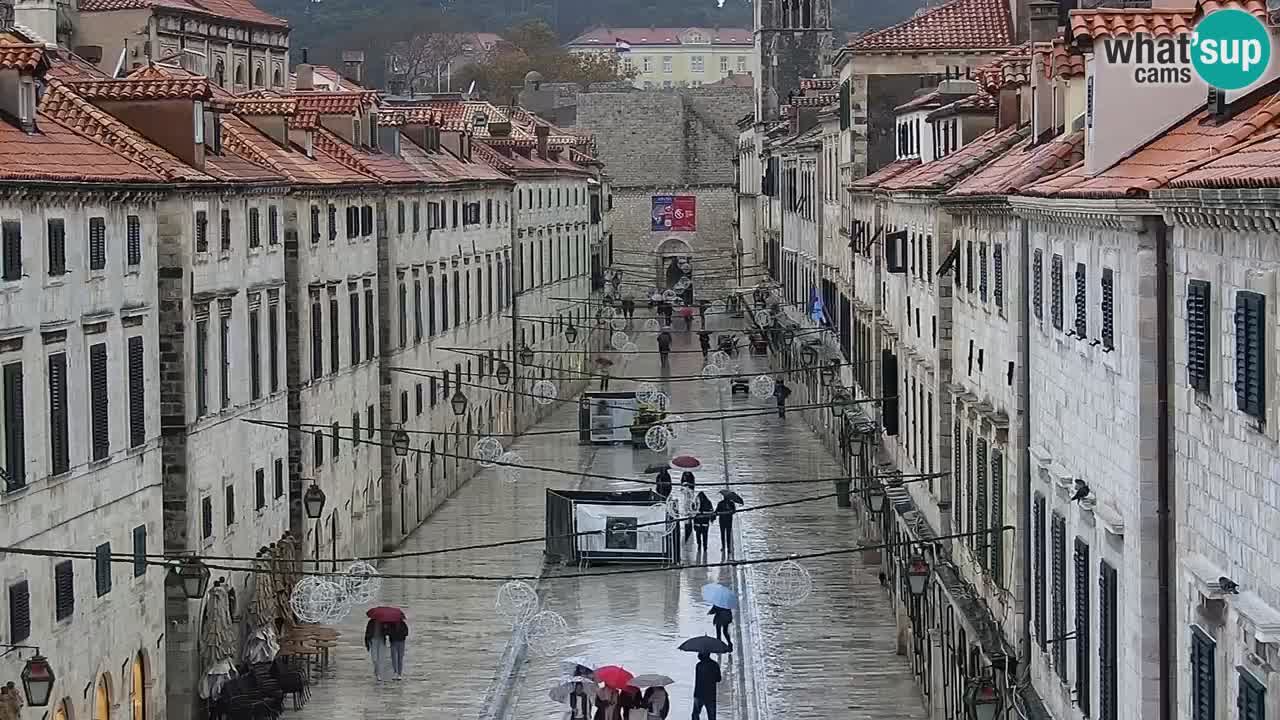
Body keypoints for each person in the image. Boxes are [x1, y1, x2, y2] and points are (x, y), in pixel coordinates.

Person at [691, 652, 721, 720]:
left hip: (698, 694)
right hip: (711, 695)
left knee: (695, 714)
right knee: (711, 716)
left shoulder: (699, 665)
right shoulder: (715, 665)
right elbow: (718, 679)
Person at [681, 472, 697, 541]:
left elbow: (693, 485)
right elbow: (681, 484)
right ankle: (687, 520)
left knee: (689, 505)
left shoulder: (691, 476)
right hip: (686, 492)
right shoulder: (683, 474)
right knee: (686, 505)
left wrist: (688, 486)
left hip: (690, 492)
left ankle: (689, 519)